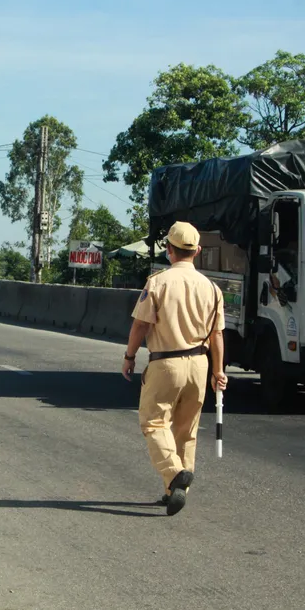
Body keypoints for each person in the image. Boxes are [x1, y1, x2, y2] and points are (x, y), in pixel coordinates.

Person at [122, 221, 227, 516]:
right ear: (197, 251)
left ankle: (173, 474)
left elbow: (141, 325)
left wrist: (129, 357)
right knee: (186, 431)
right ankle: (176, 492)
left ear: (169, 250)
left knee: (154, 423)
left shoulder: (158, 282)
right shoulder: (212, 288)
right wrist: (218, 372)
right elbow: (217, 335)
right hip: (200, 364)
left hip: (166, 362)